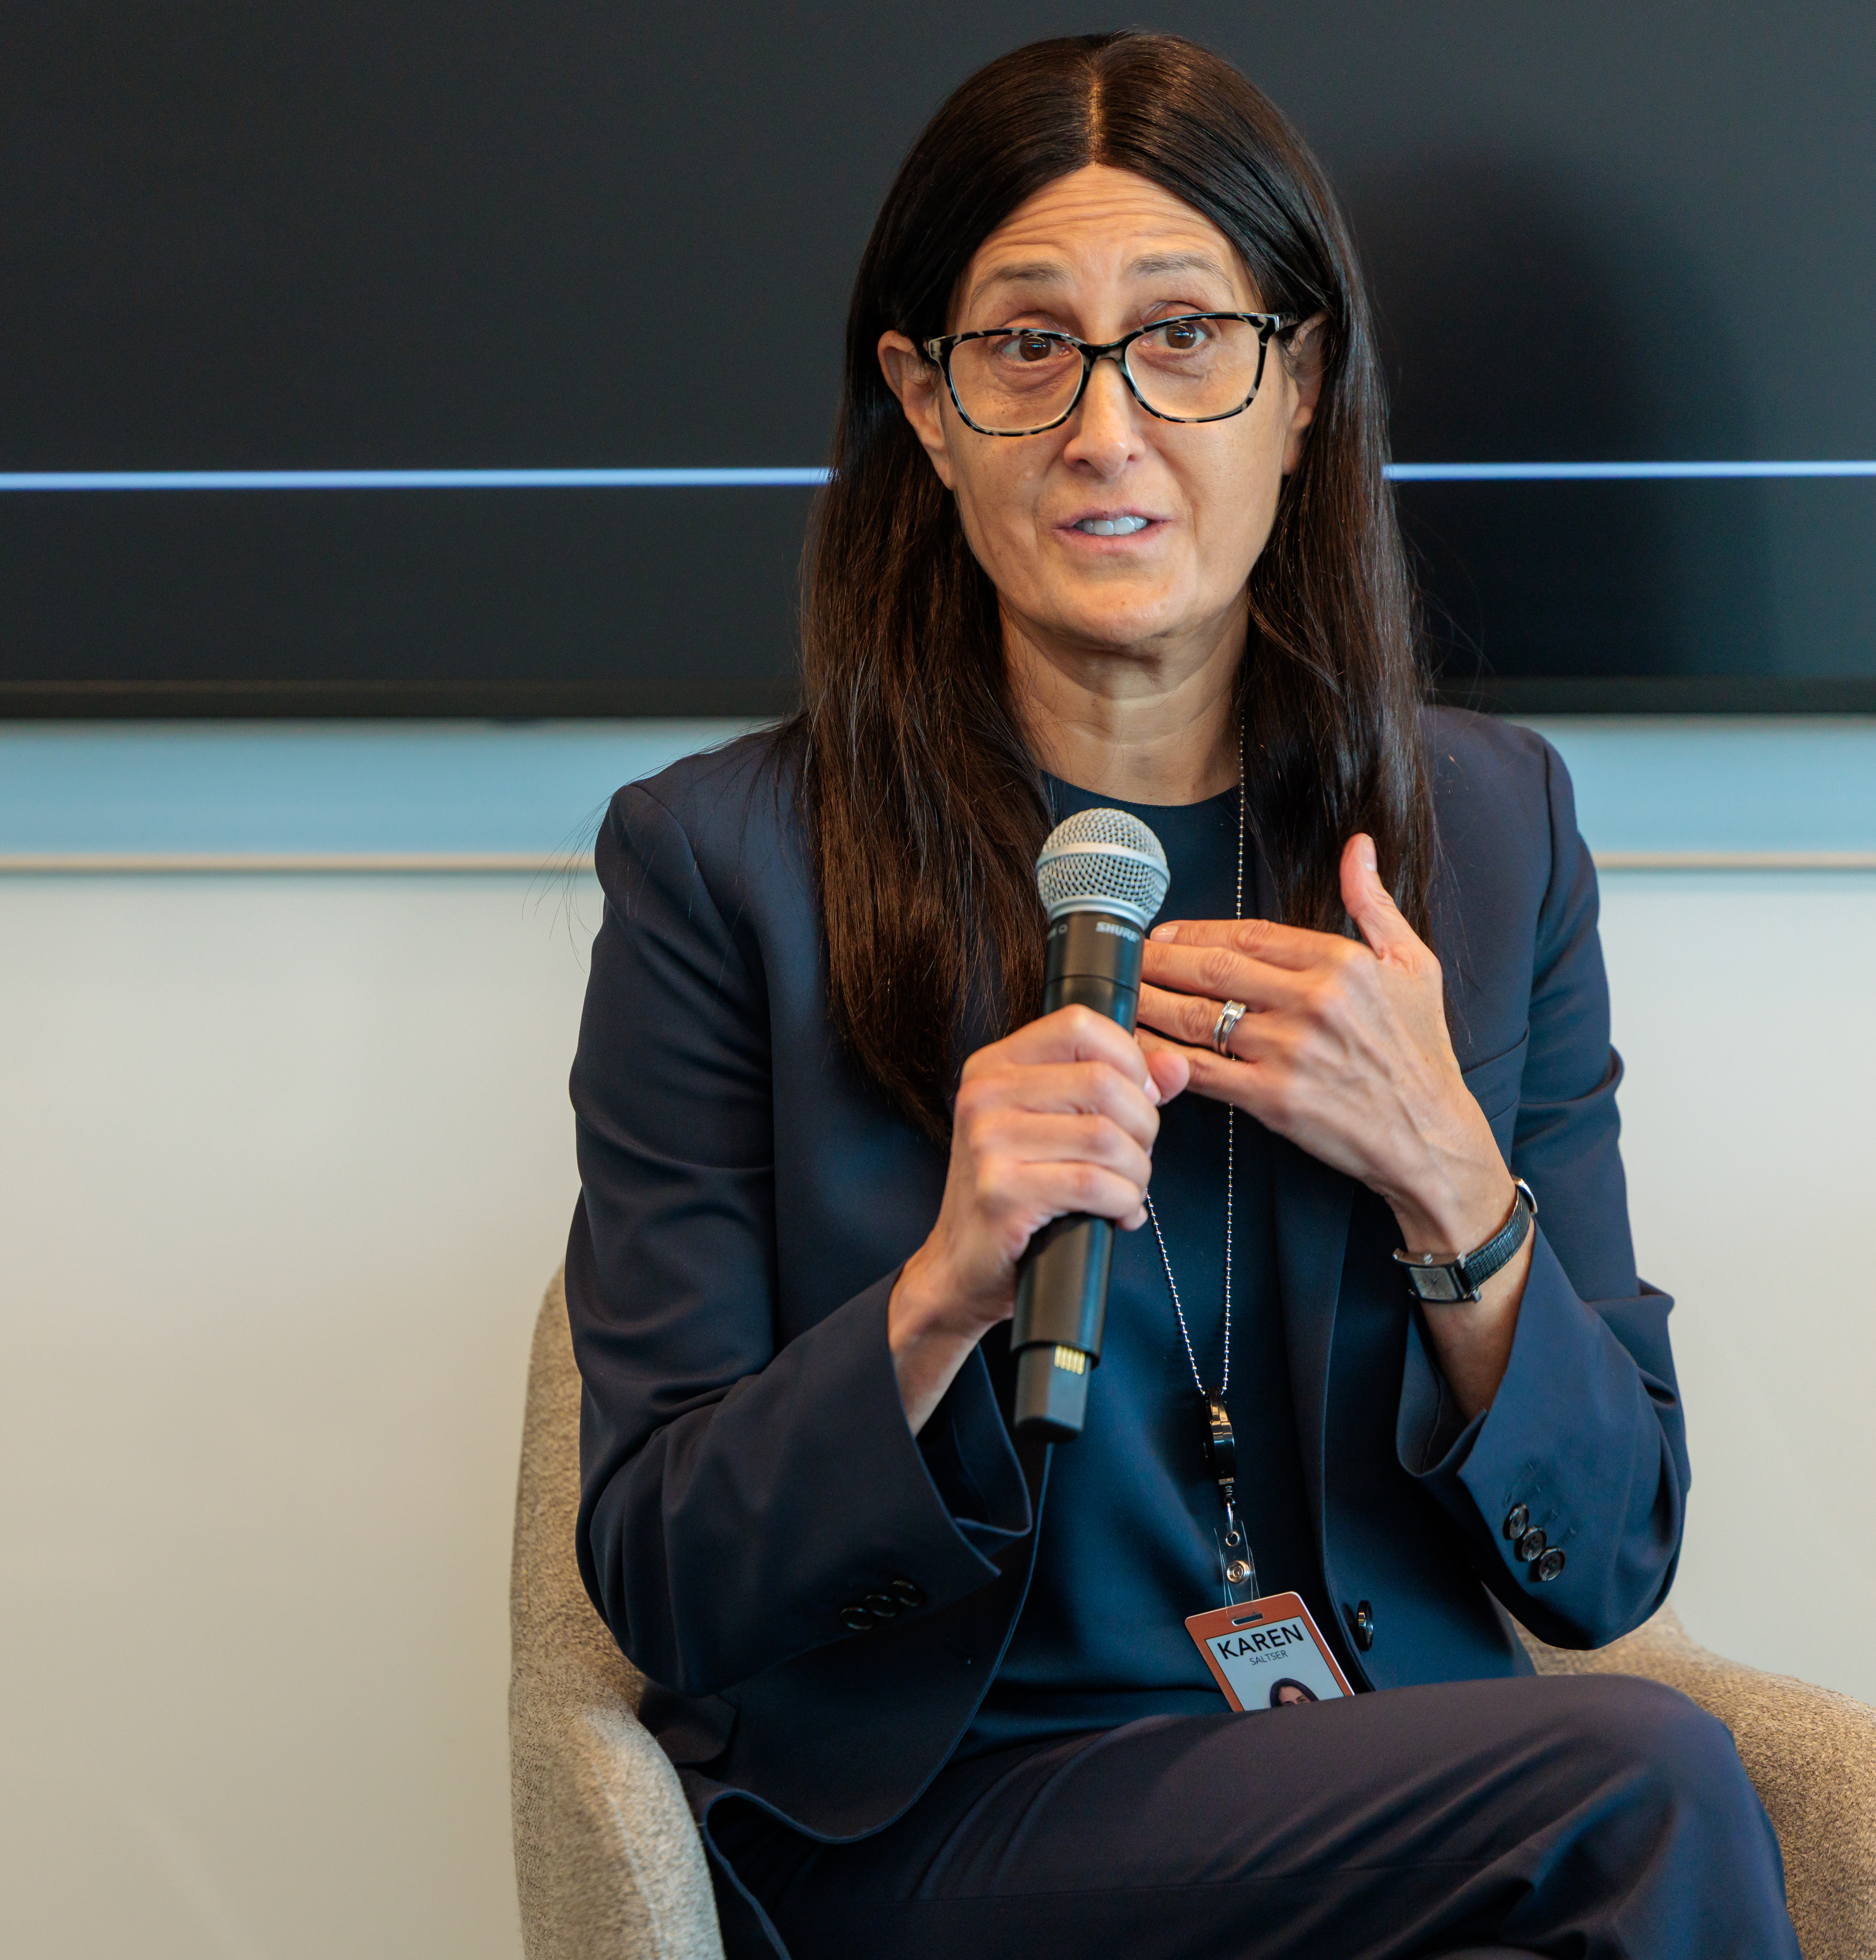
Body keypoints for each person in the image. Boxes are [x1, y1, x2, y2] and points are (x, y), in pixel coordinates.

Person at [563, 31, 1796, 1960]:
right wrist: (940, 1287)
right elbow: (661, 1574)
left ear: (1298, 388)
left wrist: (1455, 1187)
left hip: (1387, 1803)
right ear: (926, 404)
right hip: (942, 1818)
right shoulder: (725, 868)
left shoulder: (1487, 835)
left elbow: (1610, 1546)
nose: (1107, 424)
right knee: (1649, 1787)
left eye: (1188, 338)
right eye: (1028, 345)